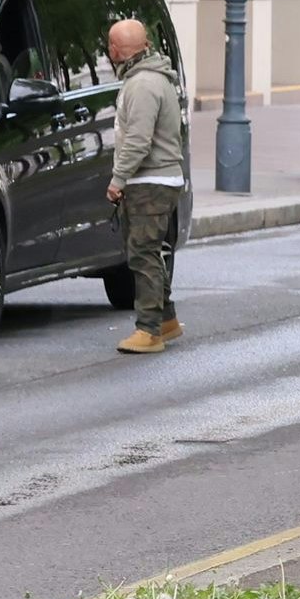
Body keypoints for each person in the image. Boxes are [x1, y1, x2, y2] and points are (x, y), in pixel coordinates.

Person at [103, 18, 187, 354]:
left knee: (143, 255)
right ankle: (165, 320)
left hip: (150, 181)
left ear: (114, 51)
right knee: (149, 252)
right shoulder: (154, 78)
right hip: (160, 178)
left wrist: (118, 179)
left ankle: (148, 330)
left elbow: (138, 140)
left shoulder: (141, 85)